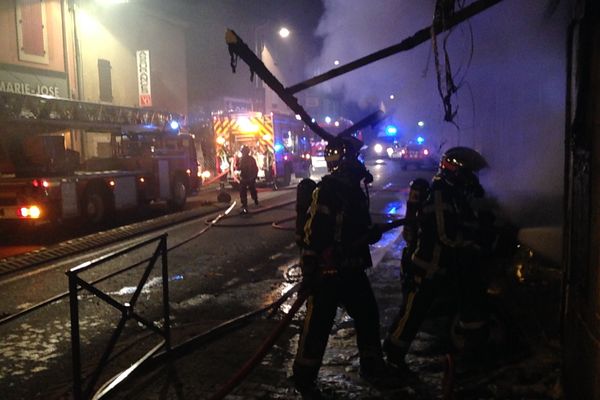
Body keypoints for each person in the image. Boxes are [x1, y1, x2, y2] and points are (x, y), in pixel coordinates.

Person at [292, 136, 391, 399]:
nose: (359, 163)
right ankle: (304, 377)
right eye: (355, 157)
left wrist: (369, 234)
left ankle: (372, 365)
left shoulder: (354, 190)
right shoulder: (327, 189)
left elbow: (356, 226)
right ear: (344, 160)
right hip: (329, 271)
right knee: (318, 324)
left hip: (352, 268)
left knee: (368, 314)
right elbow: (313, 231)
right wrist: (312, 264)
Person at [383, 146, 493, 370]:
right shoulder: (441, 194)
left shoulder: (455, 193)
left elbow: (465, 220)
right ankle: (393, 357)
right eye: (470, 174)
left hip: (443, 265)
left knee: (457, 304)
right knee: (412, 314)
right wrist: (474, 240)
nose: (473, 179)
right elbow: (447, 235)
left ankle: (471, 350)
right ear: (459, 172)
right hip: (427, 267)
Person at [238, 145, 259, 214]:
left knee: (249, 190)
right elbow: (239, 167)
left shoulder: (248, 159)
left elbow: (255, 168)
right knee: (244, 191)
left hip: (248, 177)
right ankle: (246, 203)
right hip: (246, 178)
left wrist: (254, 176)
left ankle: (254, 200)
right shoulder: (245, 159)